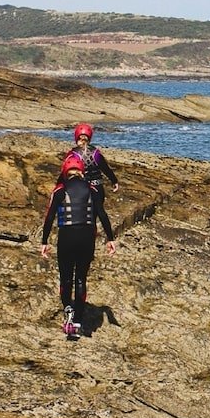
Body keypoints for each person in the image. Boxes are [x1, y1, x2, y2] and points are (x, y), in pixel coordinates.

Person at [41, 154, 116, 335]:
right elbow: (102, 215)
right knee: (81, 277)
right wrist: (110, 239)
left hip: (67, 236)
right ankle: (78, 321)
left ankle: (68, 308)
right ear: (82, 171)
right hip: (86, 237)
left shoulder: (60, 190)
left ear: (65, 171)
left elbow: (50, 217)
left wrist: (44, 242)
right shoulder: (92, 190)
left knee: (66, 278)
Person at [64, 123, 119, 207]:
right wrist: (114, 180)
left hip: (81, 189)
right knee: (96, 214)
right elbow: (106, 169)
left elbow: (65, 172)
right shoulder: (96, 153)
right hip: (97, 188)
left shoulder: (72, 154)